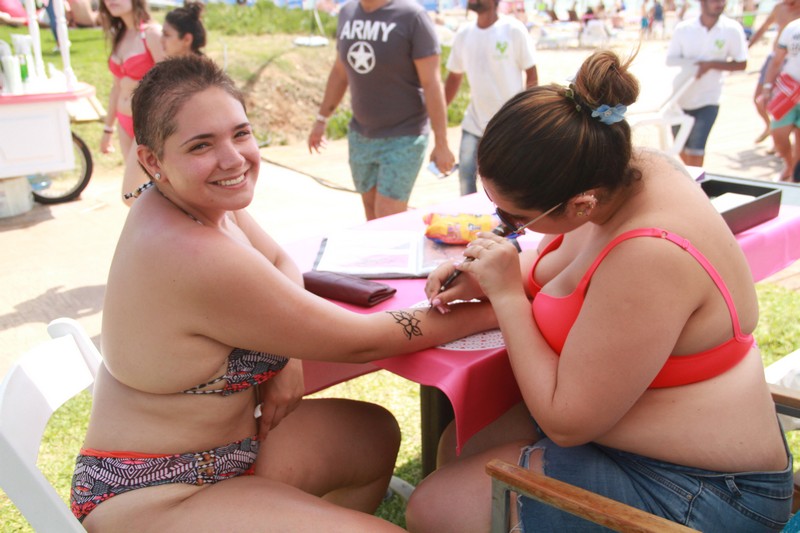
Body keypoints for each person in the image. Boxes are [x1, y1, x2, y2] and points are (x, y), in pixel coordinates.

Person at [69, 55, 497, 532]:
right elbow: (361, 340)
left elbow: (280, 263)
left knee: (371, 434)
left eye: (240, 133)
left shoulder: (203, 204)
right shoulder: (191, 253)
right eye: (200, 145)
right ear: (152, 159)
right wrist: (493, 307)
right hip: (156, 490)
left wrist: (286, 356)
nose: (232, 158)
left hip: (232, 449)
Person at [405, 50, 793, 532]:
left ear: (581, 203)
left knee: (436, 507)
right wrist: (489, 274)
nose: (508, 229)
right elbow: (561, 267)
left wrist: (506, 297)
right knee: (459, 447)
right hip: (636, 447)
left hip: (704, 491)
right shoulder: (620, 171)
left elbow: (567, 421)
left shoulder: (649, 255)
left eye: (515, 220)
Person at [307, 0, 455, 221]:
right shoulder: (347, 12)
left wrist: (441, 143)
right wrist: (321, 119)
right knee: (372, 216)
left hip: (405, 136)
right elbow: (340, 71)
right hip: (361, 136)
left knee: (388, 216)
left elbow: (432, 83)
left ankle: (398, 255)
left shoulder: (413, 17)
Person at [444, 0, 537, 196]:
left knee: (508, 184)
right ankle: (472, 222)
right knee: (466, 178)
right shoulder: (464, 33)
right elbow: (454, 76)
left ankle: (506, 224)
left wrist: (527, 113)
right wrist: (440, 110)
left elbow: (531, 74)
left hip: (508, 125)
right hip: (474, 122)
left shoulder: (513, 30)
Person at [98, 0, 165, 206]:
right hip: (124, 121)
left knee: (134, 194)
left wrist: (135, 82)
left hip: (146, 122)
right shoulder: (120, 36)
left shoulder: (152, 34)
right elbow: (116, 88)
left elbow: (169, 80)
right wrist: (108, 128)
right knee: (144, 192)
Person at [666, 0, 747, 168]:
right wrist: (696, 65)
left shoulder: (732, 29)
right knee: (679, 146)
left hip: (709, 97)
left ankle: (694, 187)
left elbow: (742, 63)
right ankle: (691, 183)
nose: (720, 4)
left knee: (696, 149)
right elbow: (670, 60)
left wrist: (711, 65)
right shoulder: (683, 29)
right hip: (680, 97)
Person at [748, 0, 800, 149]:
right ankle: (770, 127)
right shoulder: (779, 8)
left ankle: (783, 141)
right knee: (760, 99)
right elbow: (764, 27)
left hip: (792, 63)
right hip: (776, 59)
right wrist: (748, 46)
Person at [761, 17, 800, 182]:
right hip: (788, 91)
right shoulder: (793, 27)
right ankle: (790, 166)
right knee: (778, 136)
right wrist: (767, 87)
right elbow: (777, 60)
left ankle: (795, 179)